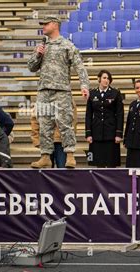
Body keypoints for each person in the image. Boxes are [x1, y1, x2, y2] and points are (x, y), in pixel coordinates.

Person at [28, 15, 90, 169]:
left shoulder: (67, 45)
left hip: (61, 90)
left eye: (45, 24)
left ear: (55, 24)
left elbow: (79, 66)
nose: (43, 26)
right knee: (44, 124)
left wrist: (84, 85)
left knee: (65, 123)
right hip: (44, 90)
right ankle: (45, 156)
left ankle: (69, 154)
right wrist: (37, 54)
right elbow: (31, 67)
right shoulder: (42, 46)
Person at [85, 70, 124, 168]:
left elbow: (120, 114)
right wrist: (88, 133)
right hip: (96, 133)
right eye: (104, 78)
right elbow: (88, 114)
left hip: (111, 133)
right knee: (99, 163)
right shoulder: (92, 93)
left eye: (108, 79)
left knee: (111, 163)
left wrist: (119, 133)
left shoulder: (115, 93)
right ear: (99, 79)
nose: (106, 80)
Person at [31, 99, 78, 168]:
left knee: (63, 169)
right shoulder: (42, 97)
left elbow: (73, 120)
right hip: (46, 139)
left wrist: (70, 138)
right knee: (46, 171)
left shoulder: (67, 96)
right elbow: (35, 119)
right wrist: (35, 138)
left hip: (61, 141)